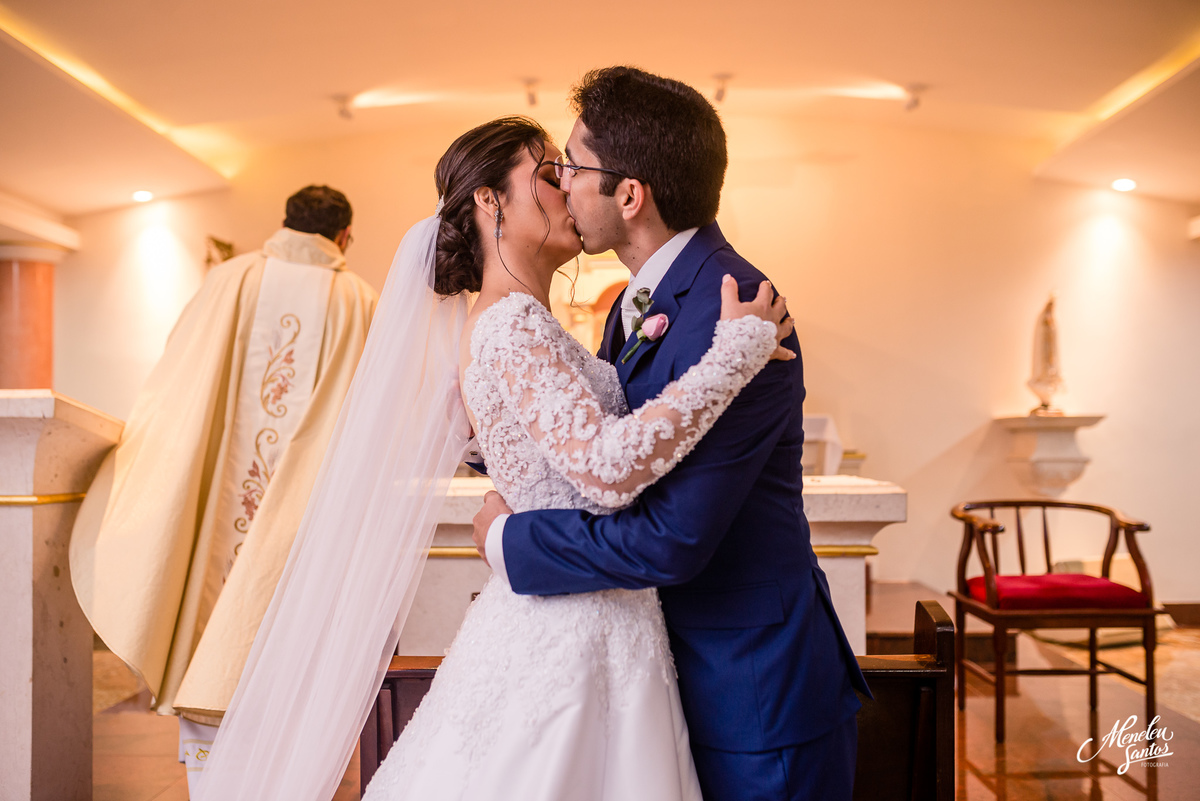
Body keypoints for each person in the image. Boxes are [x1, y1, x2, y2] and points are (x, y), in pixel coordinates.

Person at [191, 116, 792, 800]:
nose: (568, 188)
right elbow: (606, 468)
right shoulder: (509, 325)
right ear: (489, 199)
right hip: (569, 628)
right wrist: (733, 354)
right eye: (548, 174)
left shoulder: (523, 324)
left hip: (590, 613)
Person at [471, 67, 871, 801]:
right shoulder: (632, 303)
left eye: (572, 168)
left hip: (751, 693)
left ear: (629, 195)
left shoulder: (739, 310)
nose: (563, 185)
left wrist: (509, 541)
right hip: (660, 678)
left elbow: (672, 539)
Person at [68, 185, 378, 797]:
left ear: (285, 222)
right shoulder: (358, 301)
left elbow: (176, 382)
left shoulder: (230, 280)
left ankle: (211, 785)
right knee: (291, 658)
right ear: (344, 236)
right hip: (307, 517)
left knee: (206, 638)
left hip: (216, 514)